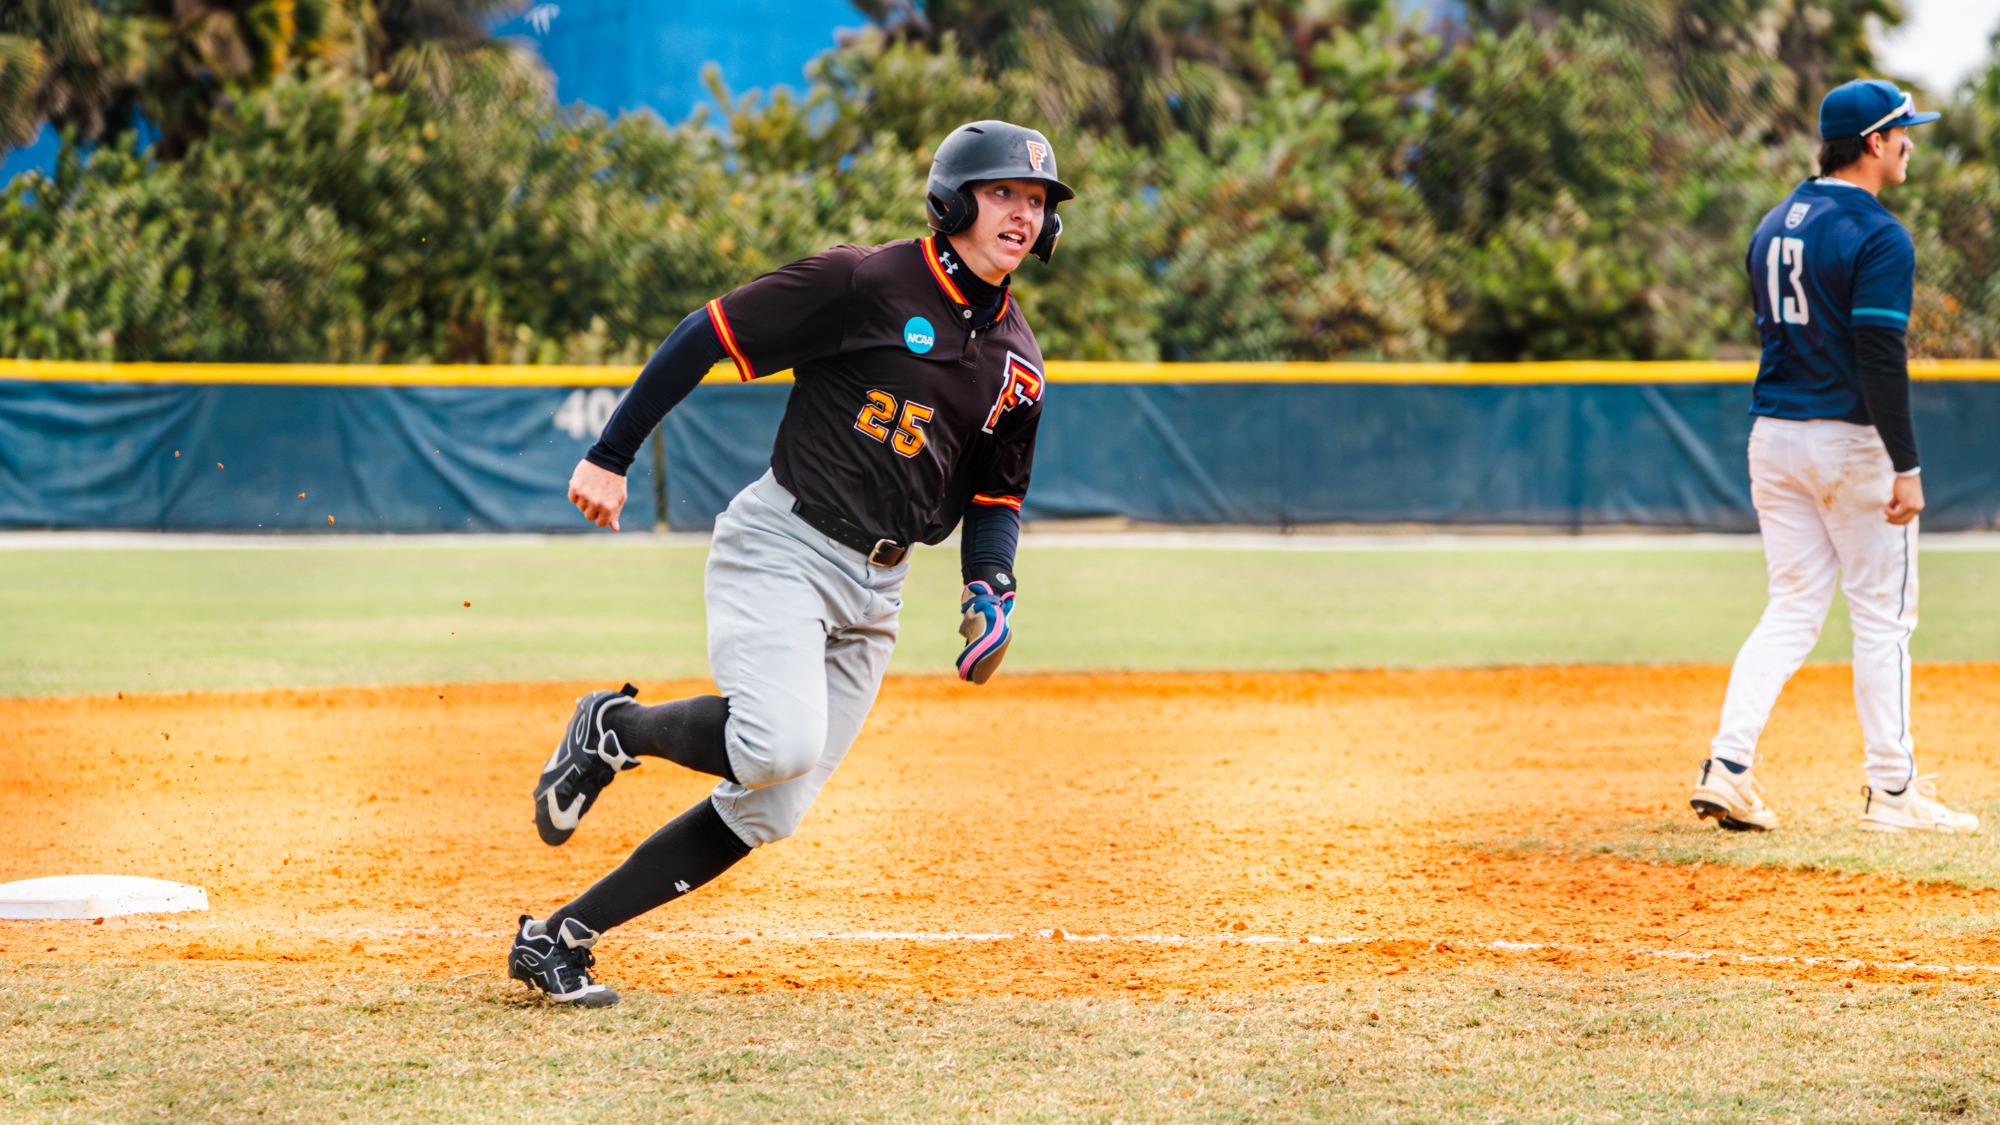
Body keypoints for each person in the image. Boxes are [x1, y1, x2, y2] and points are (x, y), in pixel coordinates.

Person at [505, 121, 1073, 1005]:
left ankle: (560, 938)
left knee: (770, 805)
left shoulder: (1020, 364)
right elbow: (707, 331)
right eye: (1005, 193)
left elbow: (996, 496)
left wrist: (989, 586)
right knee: (778, 744)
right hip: (784, 544)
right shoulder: (866, 281)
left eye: (1037, 203)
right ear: (957, 199)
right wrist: (610, 455)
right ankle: (614, 730)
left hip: (876, 589)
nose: (1023, 214)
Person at [1689, 80, 1977, 836]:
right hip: (1849, 441)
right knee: (1884, 617)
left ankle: (1728, 764)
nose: (1911, 142)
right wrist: (1906, 465)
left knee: (1791, 608)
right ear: (1874, 143)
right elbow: (1879, 354)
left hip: (1775, 437)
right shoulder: (1879, 234)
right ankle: (1894, 792)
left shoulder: (1774, 221)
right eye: (1903, 131)